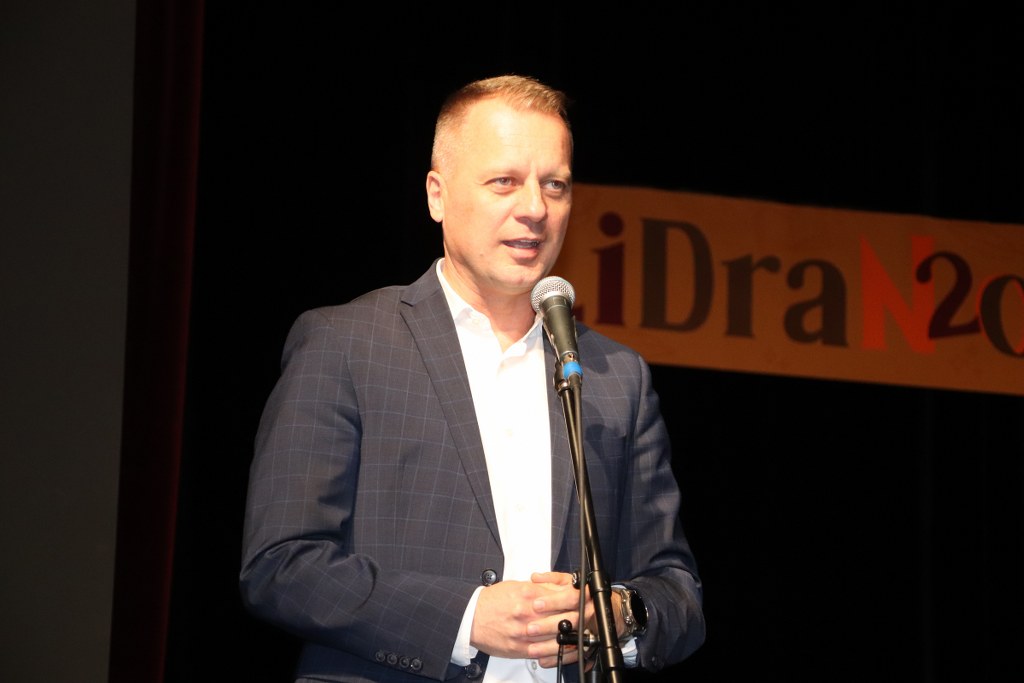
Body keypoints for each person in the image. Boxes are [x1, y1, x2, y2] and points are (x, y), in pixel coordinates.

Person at [240, 74, 705, 683]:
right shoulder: (347, 345)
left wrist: (619, 613)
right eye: (504, 181)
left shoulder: (615, 376)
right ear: (437, 195)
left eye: (555, 185)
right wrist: (464, 619)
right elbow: (281, 565)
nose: (535, 208)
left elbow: (677, 593)